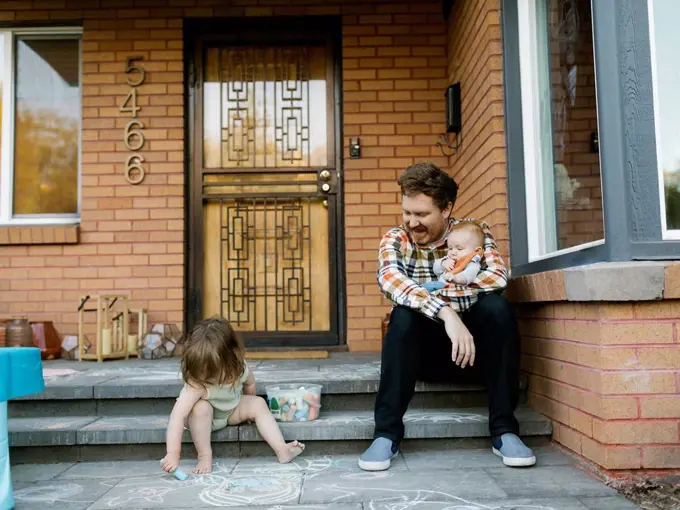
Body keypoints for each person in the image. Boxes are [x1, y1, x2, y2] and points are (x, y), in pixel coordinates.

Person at [358, 162, 535, 471]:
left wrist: (441, 299)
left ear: (446, 208)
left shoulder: (473, 233)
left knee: (497, 307)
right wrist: (446, 313)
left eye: (421, 214)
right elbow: (391, 282)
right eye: (407, 213)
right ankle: (386, 434)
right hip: (421, 357)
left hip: (473, 355)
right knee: (403, 314)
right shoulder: (395, 240)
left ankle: (505, 430)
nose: (411, 222)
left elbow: (497, 278)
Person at [161, 317, 304, 475]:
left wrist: (250, 412)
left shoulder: (239, 368)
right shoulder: (197, 384)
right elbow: (177, 417)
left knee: (258, 404)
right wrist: (173, 454)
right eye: (202, 371)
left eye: (212, 372)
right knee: (201, 408)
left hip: (229, 412)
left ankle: (281, 449)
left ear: (230, 357)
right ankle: (204, 455)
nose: (206, 377)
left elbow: (250, 384)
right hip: (203, 420)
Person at [422, 221, 485, 292]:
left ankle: (419, 292)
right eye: (450, 248)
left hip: (455, 290)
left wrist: (456, 279)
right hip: (439, 289)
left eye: (459, 249)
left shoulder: (472, 264)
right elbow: (435, 270)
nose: (453, 252)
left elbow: (468, 276)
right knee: (429, 286)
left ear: (476, 251)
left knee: (427, 287)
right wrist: (443, 263)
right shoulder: (448, 259)